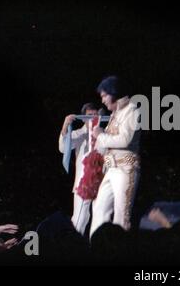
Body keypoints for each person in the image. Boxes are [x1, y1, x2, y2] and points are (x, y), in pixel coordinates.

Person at [90, 76, 141, 237]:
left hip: (126, 167)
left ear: (114, 92)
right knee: (99, 210)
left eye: (105, 96)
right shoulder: (115, 114)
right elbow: (106, 144)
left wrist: (101, 136)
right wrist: (98, 139)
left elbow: (126, 139)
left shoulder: (132, 110)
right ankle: (96, 248)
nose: (103, 100)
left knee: (121, 216)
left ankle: (119, 252)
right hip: (111, 168)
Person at [59, 103, 98, 235]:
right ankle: (72, 248)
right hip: (84, 183)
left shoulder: (104, 133)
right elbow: (63, 148)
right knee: (80, 219)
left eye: (95, 115)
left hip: (102, 183)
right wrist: (65, 125)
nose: (93, 118)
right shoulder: (79, 134)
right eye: (89, 115)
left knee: (100, 221)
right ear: (83, 118)